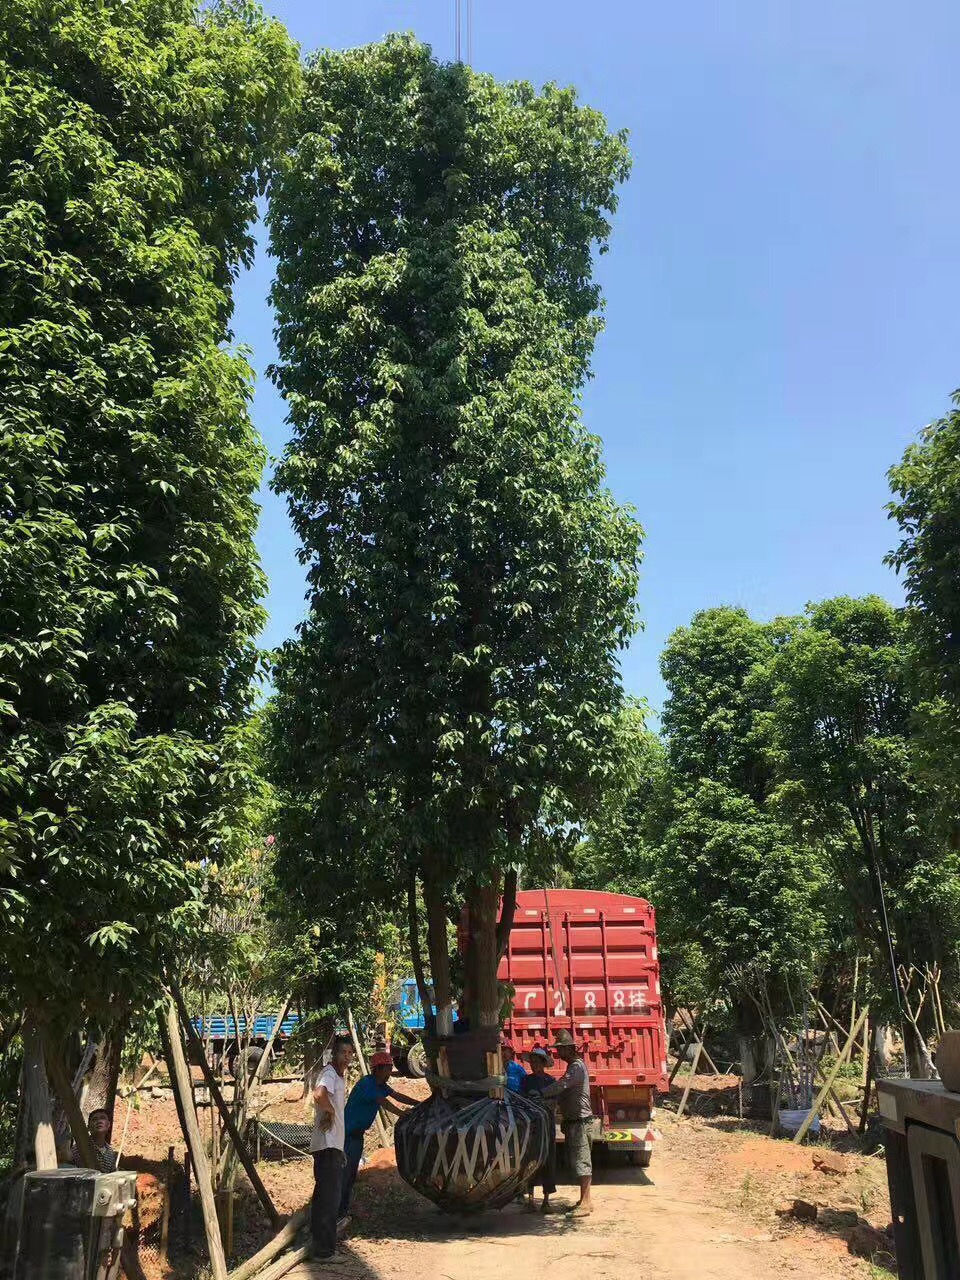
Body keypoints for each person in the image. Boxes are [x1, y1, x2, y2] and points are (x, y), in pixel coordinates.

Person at [340, 1051, 417, 1218]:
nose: (390, 1072)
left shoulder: (381, 1085)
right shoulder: (368, 1083)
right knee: (345, 1173)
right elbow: (384, 1102)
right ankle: (339, 1211)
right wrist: (402, 1113)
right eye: (388, 1068)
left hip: (357, 1135)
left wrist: (418, 1103)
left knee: (351, 1173)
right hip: (347, 1136)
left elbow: (397, 1096)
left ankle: (343, 1209)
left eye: (390, 1068)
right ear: (378, 1069)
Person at [311, 1035, 354, 1260]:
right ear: (334, 1054)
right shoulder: (329, 1073)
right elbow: (319, 1094)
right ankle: (325, 1252)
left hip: (330, 1146)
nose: (346, 1057)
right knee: (330, 1201)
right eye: (342, 1053)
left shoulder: (337, 1076)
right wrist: (329, 1110)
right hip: (328, 1147)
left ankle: (317, 1245)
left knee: (323, 1199)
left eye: (349, 1053)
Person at [540, 1029, 593, 1216]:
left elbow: (562, 1085)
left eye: (561, 1049)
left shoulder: (576, 1067)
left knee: (582, 1162)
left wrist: (542, 1092)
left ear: (570, 1049)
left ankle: (585, 1203)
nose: (558, 1053)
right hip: (574, 1121)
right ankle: (584, 1200)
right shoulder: (573, 1066)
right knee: (579, 1161)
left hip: (580, 1121)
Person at [519, 1047, 558, 1212]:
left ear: (543, 1063)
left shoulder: (551, 1081)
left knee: (548, 1160)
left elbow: (554, 1103)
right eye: (532, 1062)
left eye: (537, 1062)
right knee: (530, 1160)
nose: (534, 1065)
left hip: (547, 1125)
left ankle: (546, 1201)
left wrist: (542, 1105)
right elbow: (521, 1099)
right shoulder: (526, 1081)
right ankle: (530, 1200)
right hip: (531, 1126)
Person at [71, 1108, 119, 1173]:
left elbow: (112, 1174)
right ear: (88, 1127)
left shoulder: (110, 1152)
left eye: (103, 1118)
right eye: (94, 1119)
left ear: (108, 1125)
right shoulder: (80, 1147)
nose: (99, 1121)